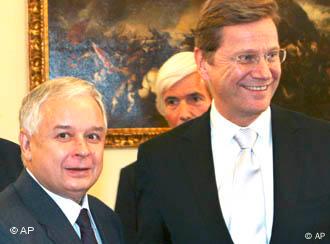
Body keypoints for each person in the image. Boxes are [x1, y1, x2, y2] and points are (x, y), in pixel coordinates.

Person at [135, 0, 330, 243]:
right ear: (204, 63)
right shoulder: (159, 160)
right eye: (247, 57)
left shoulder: (322, 144)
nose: (264, 72)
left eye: (271, 55)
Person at [0, 77, 124, 244]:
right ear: (27, 145)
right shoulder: (5, 226)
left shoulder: (108, 219)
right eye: (63, 135)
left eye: (92, 136)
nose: (83, 150)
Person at [115, 51, 211, 244]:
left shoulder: (242, 164)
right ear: (162, 109)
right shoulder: (134, 177)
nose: (184, 113)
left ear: (215, 102)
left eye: (195, 98)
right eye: (172, 102)